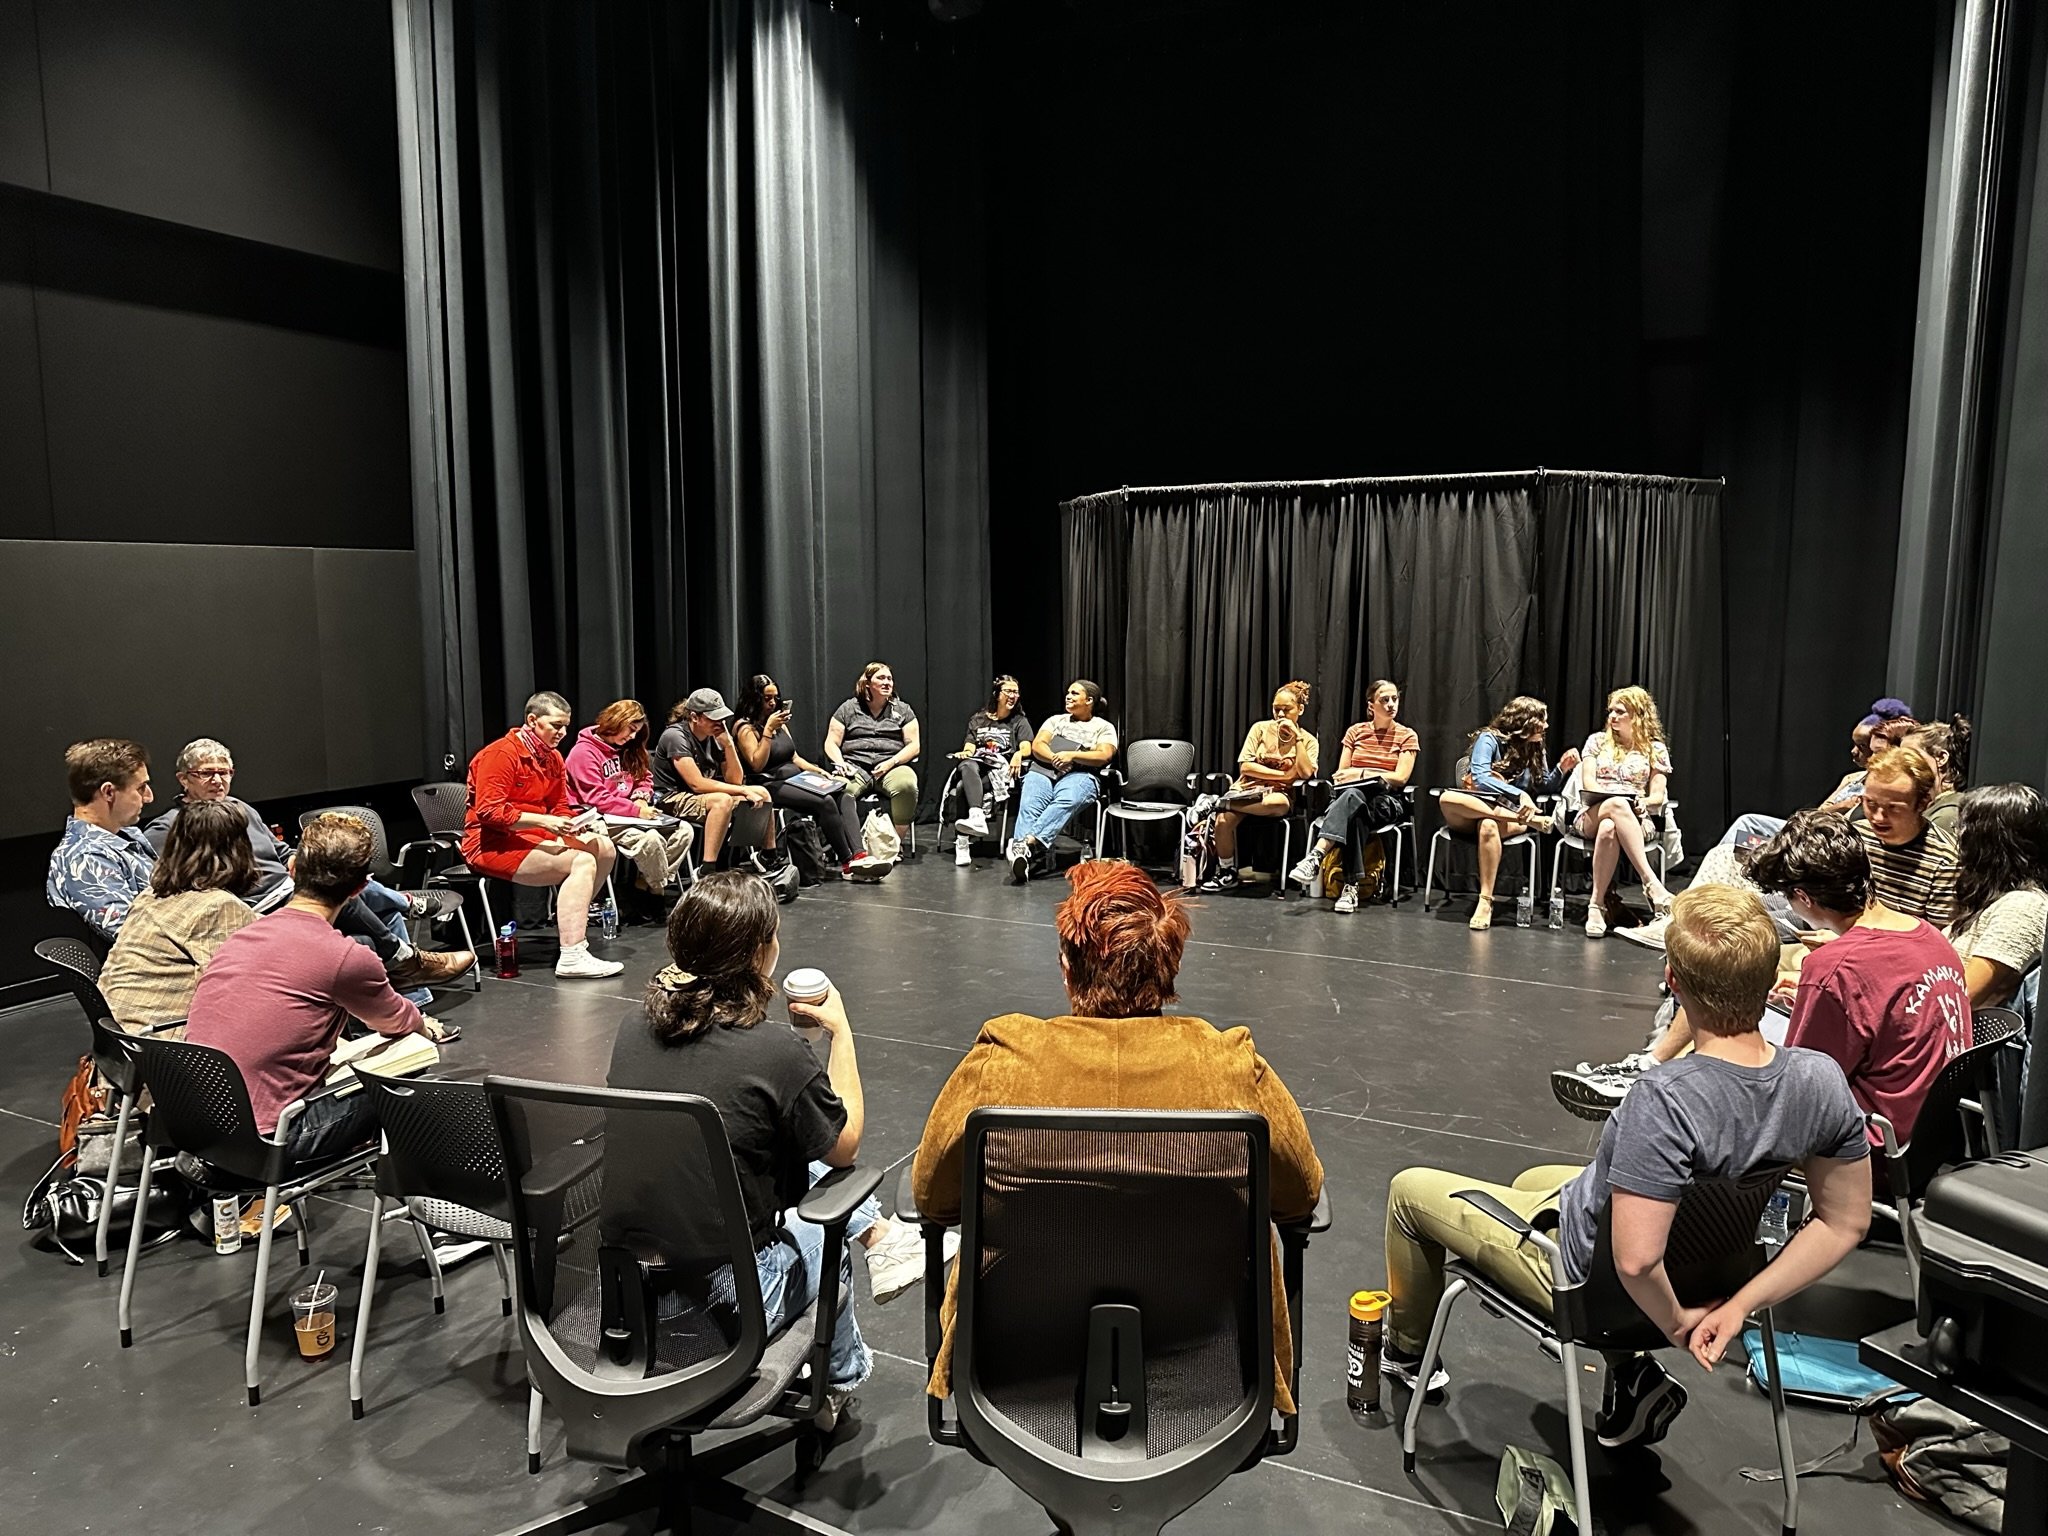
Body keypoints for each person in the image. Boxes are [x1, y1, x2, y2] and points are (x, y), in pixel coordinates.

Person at [1383, 885, 1871, 1450]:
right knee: (1533, 1181)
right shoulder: (1821, 1080)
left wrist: (1675, 1324)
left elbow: (1638, 1263)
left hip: (1596, 1292)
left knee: (1407, 1192)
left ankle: (1405, 1357)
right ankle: (1631, 1379)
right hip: (1719, 1275)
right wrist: (1740, 1305)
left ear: (1674, 981)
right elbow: (1844, 1223)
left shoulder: (1664, 1100)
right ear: (1771, 979)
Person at [913, 859, 1324, 1415]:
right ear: (1172, 966)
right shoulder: (1225, 1064)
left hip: (1016, 1372)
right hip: (1209, 1372)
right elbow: (1300, 1196)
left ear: (1066, 965)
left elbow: (930, 1199)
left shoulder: (1005, 1059)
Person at [604, 872, 933, 1429]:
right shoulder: (774, 1050)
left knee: (780, 1139)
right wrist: (842, 1032)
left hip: (623, 1298)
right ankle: (836, 1385)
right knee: (827, 1221)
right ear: (761, 951)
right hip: (723, 1305)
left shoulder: (633, 1027)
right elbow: (844, 1145)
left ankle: (882, 1237)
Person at [1559, 809, 1975, 1129]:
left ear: (1803, 897)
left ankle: (1651, 1084)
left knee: (1717, 1000)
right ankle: (1651, 1068)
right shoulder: (1928, 937)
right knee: (1735, 994)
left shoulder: (1836, 966)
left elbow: (1799, 1087)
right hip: (1923, 1131)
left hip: (1864, 1139)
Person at [185, 813, 451, 1173]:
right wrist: (424, 1025)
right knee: (414, 1076)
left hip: (196, 1130)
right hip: (268, 1142)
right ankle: (433, 1206)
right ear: (360, 888)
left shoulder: (242, 936)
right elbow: (397, 1021)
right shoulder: (346, 958)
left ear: (292, 869)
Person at [145, 737, 469, 999]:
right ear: (184, 779)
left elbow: (281, 849)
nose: (217, 780)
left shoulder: (241, 808)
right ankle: (406, 953)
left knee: (364, 899)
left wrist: (292, 860)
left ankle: (414, 999)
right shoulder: (169, 827)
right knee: (339, 886)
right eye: (206, 773)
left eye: (224, 772)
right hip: (254, 907)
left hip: (290, 887)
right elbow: (179, 880)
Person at [463, 690, 624, 980]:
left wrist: (571, 823)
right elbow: (490, 812)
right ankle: (572, 955)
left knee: (603, 847)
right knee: (582, 862)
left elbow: (559, 806)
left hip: (535, 835)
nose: (562, 732)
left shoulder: (552, 758)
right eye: (555, 725)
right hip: (491, 844)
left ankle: (573, 925)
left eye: (565, 726)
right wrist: (547, 822)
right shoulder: (501, 754)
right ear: (532, 721)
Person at [99, 799, 259, 1036]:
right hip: (167, 1052)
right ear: (239, 848)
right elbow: (232, 998)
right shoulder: (220, 907)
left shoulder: (150, 896)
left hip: (121, 1046)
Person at [1436, 697, 1578, 931]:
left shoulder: (1535, 746)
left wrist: (1562, 768)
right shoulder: (1488, 739)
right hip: (1478, 810)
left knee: (1489, 825)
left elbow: (1542, 785)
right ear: (1525, 721)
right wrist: (1519, 795)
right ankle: (1532, 821)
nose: (1546, 726)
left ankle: (1485, 901)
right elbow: (1481, 778)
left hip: (1505, 816)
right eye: (1542, 720)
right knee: (1446, 798)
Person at [731, 674, 885, 881]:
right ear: (754, 698)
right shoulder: (745, 727)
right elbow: (756, 764)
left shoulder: (780, 723)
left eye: (775, 698)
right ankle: (848, 862)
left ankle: (859, 854)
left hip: (797, 778)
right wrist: (768, 730)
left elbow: (793, 756)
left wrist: (818, 771)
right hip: (769, 783)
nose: (772, 703)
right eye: (767, 698)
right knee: (825, 801)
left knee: (844, 794)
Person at [1286, 679, 1418, 914]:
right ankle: (1350, 888)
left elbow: (1400, 777)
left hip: (1386, 802)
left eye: (1394, 699)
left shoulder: (1406, 735)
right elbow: (1340, 775)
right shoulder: (1355, 732)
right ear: (1371, 705)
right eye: (1384, 700)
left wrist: (1365, 772)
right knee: (1356, 810)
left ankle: (1317, 855)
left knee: (1354, 799)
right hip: (1352, 799)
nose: (1390, 705)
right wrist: (1357, 776)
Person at [564, 700, 698, 903]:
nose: (633, 736)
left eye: (637, 731)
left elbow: (644, 778)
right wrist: (635, 811)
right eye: (631, 729)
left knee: (684, 830)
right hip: (597, 817)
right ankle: (656, 894)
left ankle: (645, 884)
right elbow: (597, 799)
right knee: (651, 840)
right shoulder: (582, 753)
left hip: (632, 814)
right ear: (617, 721)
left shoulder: (631, 748)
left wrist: (641, 798)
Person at [1199, 681, 1320, 893]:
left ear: (1300, 710)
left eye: (1287, 709)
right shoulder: (1260, 729)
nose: (1280, 714)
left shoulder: (1308, 741)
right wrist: (1284, 775)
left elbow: (1306, 772)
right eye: (1276, 709)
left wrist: (1297, 738)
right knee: (1223, 820)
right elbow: (1245, 766)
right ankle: (1227, 872)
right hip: (1246, 789)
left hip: (1277, 795)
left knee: (1277, 804)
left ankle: (1219, 803)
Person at [1575, 687, 1675, 940]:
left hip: (1636, 818)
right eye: (1611, 711)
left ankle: (1596, 906)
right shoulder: (1597, 742)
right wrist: (1614, 800)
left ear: (1637, 715)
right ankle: (1652, 884)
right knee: (1616, 806)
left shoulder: (1655, 749)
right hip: (1592, 814)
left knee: (1610, 827)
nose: (1612, 716)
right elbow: (1589, 783)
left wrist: (1644, 803)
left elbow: (1658, 796)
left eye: (1620, 711)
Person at [1945, 783, 2048, 1009]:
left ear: (1986, 842)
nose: (1958, 841)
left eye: (1962, 830)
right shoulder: (1997, 897)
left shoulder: (2023, 907)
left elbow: (1961, 1000)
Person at [1005, 679, 1119, 884]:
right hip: (1044, 769)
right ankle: (1022, 856)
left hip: (1081, 773)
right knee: (1031, 803)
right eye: (1068, 692)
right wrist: (1055, 759)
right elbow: (1038, 744)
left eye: (1075, 693)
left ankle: (1025, 845)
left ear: (1089, 700)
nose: (1068, 696)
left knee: (1067, 799)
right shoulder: (1056, 720)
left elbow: (1104, 755)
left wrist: (1071, 756)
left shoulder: (1103, 727)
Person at [651, 688, 777, 869]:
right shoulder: (675, 736)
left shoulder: (715, 737)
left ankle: (768, 857)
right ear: (695, 717)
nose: (720, 722)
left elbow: (735, 780)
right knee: (722, 800)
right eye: (714, 717)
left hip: (702, 797)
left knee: (762, 793)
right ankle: (708, 868)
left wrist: (729, 744)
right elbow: (697, 784)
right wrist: (743, 790)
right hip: (670, 798)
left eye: (722, 717)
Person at [47, 738, 158, 940]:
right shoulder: (86, 857)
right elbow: (135, 938)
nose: (149, 797)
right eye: (141, 788)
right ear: (108, 792)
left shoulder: (127, 836)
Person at [1856, 745, 1962, 928]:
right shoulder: (1857, 836)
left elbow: (1935, 941)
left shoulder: (1945, 861)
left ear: (1922, 804)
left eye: (1894, 808)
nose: (1878, 817)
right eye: (1871, 804)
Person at [825, 662, 921, 846]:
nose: (887, 683)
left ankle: (894, 845)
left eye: (890, 679)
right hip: (855, 767)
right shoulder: (848, 708)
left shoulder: (903, 710)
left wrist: (891, 763)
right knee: (839, 790)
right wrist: (840, 762)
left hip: (891, 766)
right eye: (881, 678)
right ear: (867, 683)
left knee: (907, 785)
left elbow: (914, 745)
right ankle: (853, 848)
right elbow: (831, 742)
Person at [949, 676, 1034, 866]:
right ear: (997, 694)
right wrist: (965, 753)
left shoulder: (1019, 721)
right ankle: (976, 817)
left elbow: (1027, 747)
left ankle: (963, 841)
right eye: (1008, 691)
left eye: (1016, 692)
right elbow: (969, 746)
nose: (1013, 696)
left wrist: (1019, 754)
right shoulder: (978, 719)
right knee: (967, 764)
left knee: (963, 787)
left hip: (998, 771)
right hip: (976, 766)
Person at [1898, 716, 1970, 837]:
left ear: (1941, 758)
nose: (1900, 764)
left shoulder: (1947, 815)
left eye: (1909, 756)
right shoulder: (1934, 807)